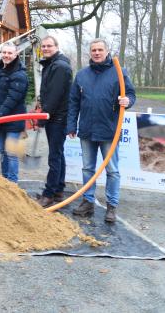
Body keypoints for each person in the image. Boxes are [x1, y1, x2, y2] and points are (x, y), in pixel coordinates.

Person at [67, 39, 135, 223]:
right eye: (93, 50)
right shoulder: (82, 75)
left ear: (106, 51)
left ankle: (111, 206)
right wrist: (71, 125)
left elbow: (130, 94)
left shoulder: (119, 73)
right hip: (87, 130)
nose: (97, 52)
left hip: (109, 130)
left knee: (112, 170)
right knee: (88, 168)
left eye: (100, 49)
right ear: (90, 53)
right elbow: (73, 102)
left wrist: (127, 101)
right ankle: (88, 202)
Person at [35, 36, 73, 207]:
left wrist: (43, 117)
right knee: (58, 153)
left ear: (57, 47)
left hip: (57, 117)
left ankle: (49, 194)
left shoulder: (59, 66)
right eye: (43, 46)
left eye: (49, 46)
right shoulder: (52, 64)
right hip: (56, 116)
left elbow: (55, 95)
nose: (46, 48)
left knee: (54, 156)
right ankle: (58, 189)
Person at [0, 42, 28, 182]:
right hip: (2, 119)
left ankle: (12, 184)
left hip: (13, 121)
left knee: (11, 154)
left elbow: (12, 99)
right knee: (2, 152)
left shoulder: (19, 75)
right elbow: (2, 81)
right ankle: (5, 182)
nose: (6, 55)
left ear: (16, 54)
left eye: (10, 53)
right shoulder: (4, 69)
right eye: (4, 52)